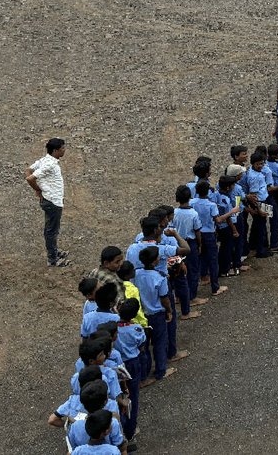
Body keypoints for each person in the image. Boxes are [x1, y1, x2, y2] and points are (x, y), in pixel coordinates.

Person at [135, 245, 175, 386]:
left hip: (142, 316)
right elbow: (164, 298)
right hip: (157, 314)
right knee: (159, 343)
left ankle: (144, 374)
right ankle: (160, 371)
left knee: (144, 345)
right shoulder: (160, 278)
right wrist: (169, 310)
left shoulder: (137, 274)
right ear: (154, 262)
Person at [26, 137, 68, 267]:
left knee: (51, 229)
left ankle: (54, 252)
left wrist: (39, 191)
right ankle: (53, 259)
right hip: (53, 201)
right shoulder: (50, 164)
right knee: (52, 231)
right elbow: (30, 177)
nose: (64, 150)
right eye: (62, 148)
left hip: (49, 199)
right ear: (55, 150)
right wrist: (37, 189)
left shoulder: (46, 160)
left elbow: (28, 169)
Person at [114, 299, 146, 441]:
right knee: (132, 397)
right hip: (132, 363)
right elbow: (141, 345)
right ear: (133, 315)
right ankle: (130, 430)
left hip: (117, 364)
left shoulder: (113, 327)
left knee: (119, 394)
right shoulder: (136, 329)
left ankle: (120, 426)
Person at [171, 186, 202, 320]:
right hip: (190, 243)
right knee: (193, 270)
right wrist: (200, 244)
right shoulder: (193, 214)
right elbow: (197, 231)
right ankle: (192, 296)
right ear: (189, 197)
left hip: (178, 244)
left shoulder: (174, 212)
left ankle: (178, 296)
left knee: (178, 270)